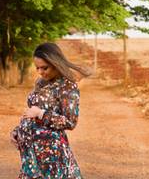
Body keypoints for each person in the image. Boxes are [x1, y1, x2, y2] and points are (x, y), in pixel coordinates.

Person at [10, 42, 92, 179]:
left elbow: (70, 122)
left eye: (44, 68)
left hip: (51, 155)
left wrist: (41, 114)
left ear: (56, 63)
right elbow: (32, 112)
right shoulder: (41, 82)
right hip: (31, 153)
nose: (40, 72)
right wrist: (17, 131)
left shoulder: (67, 86)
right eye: (37, 68)